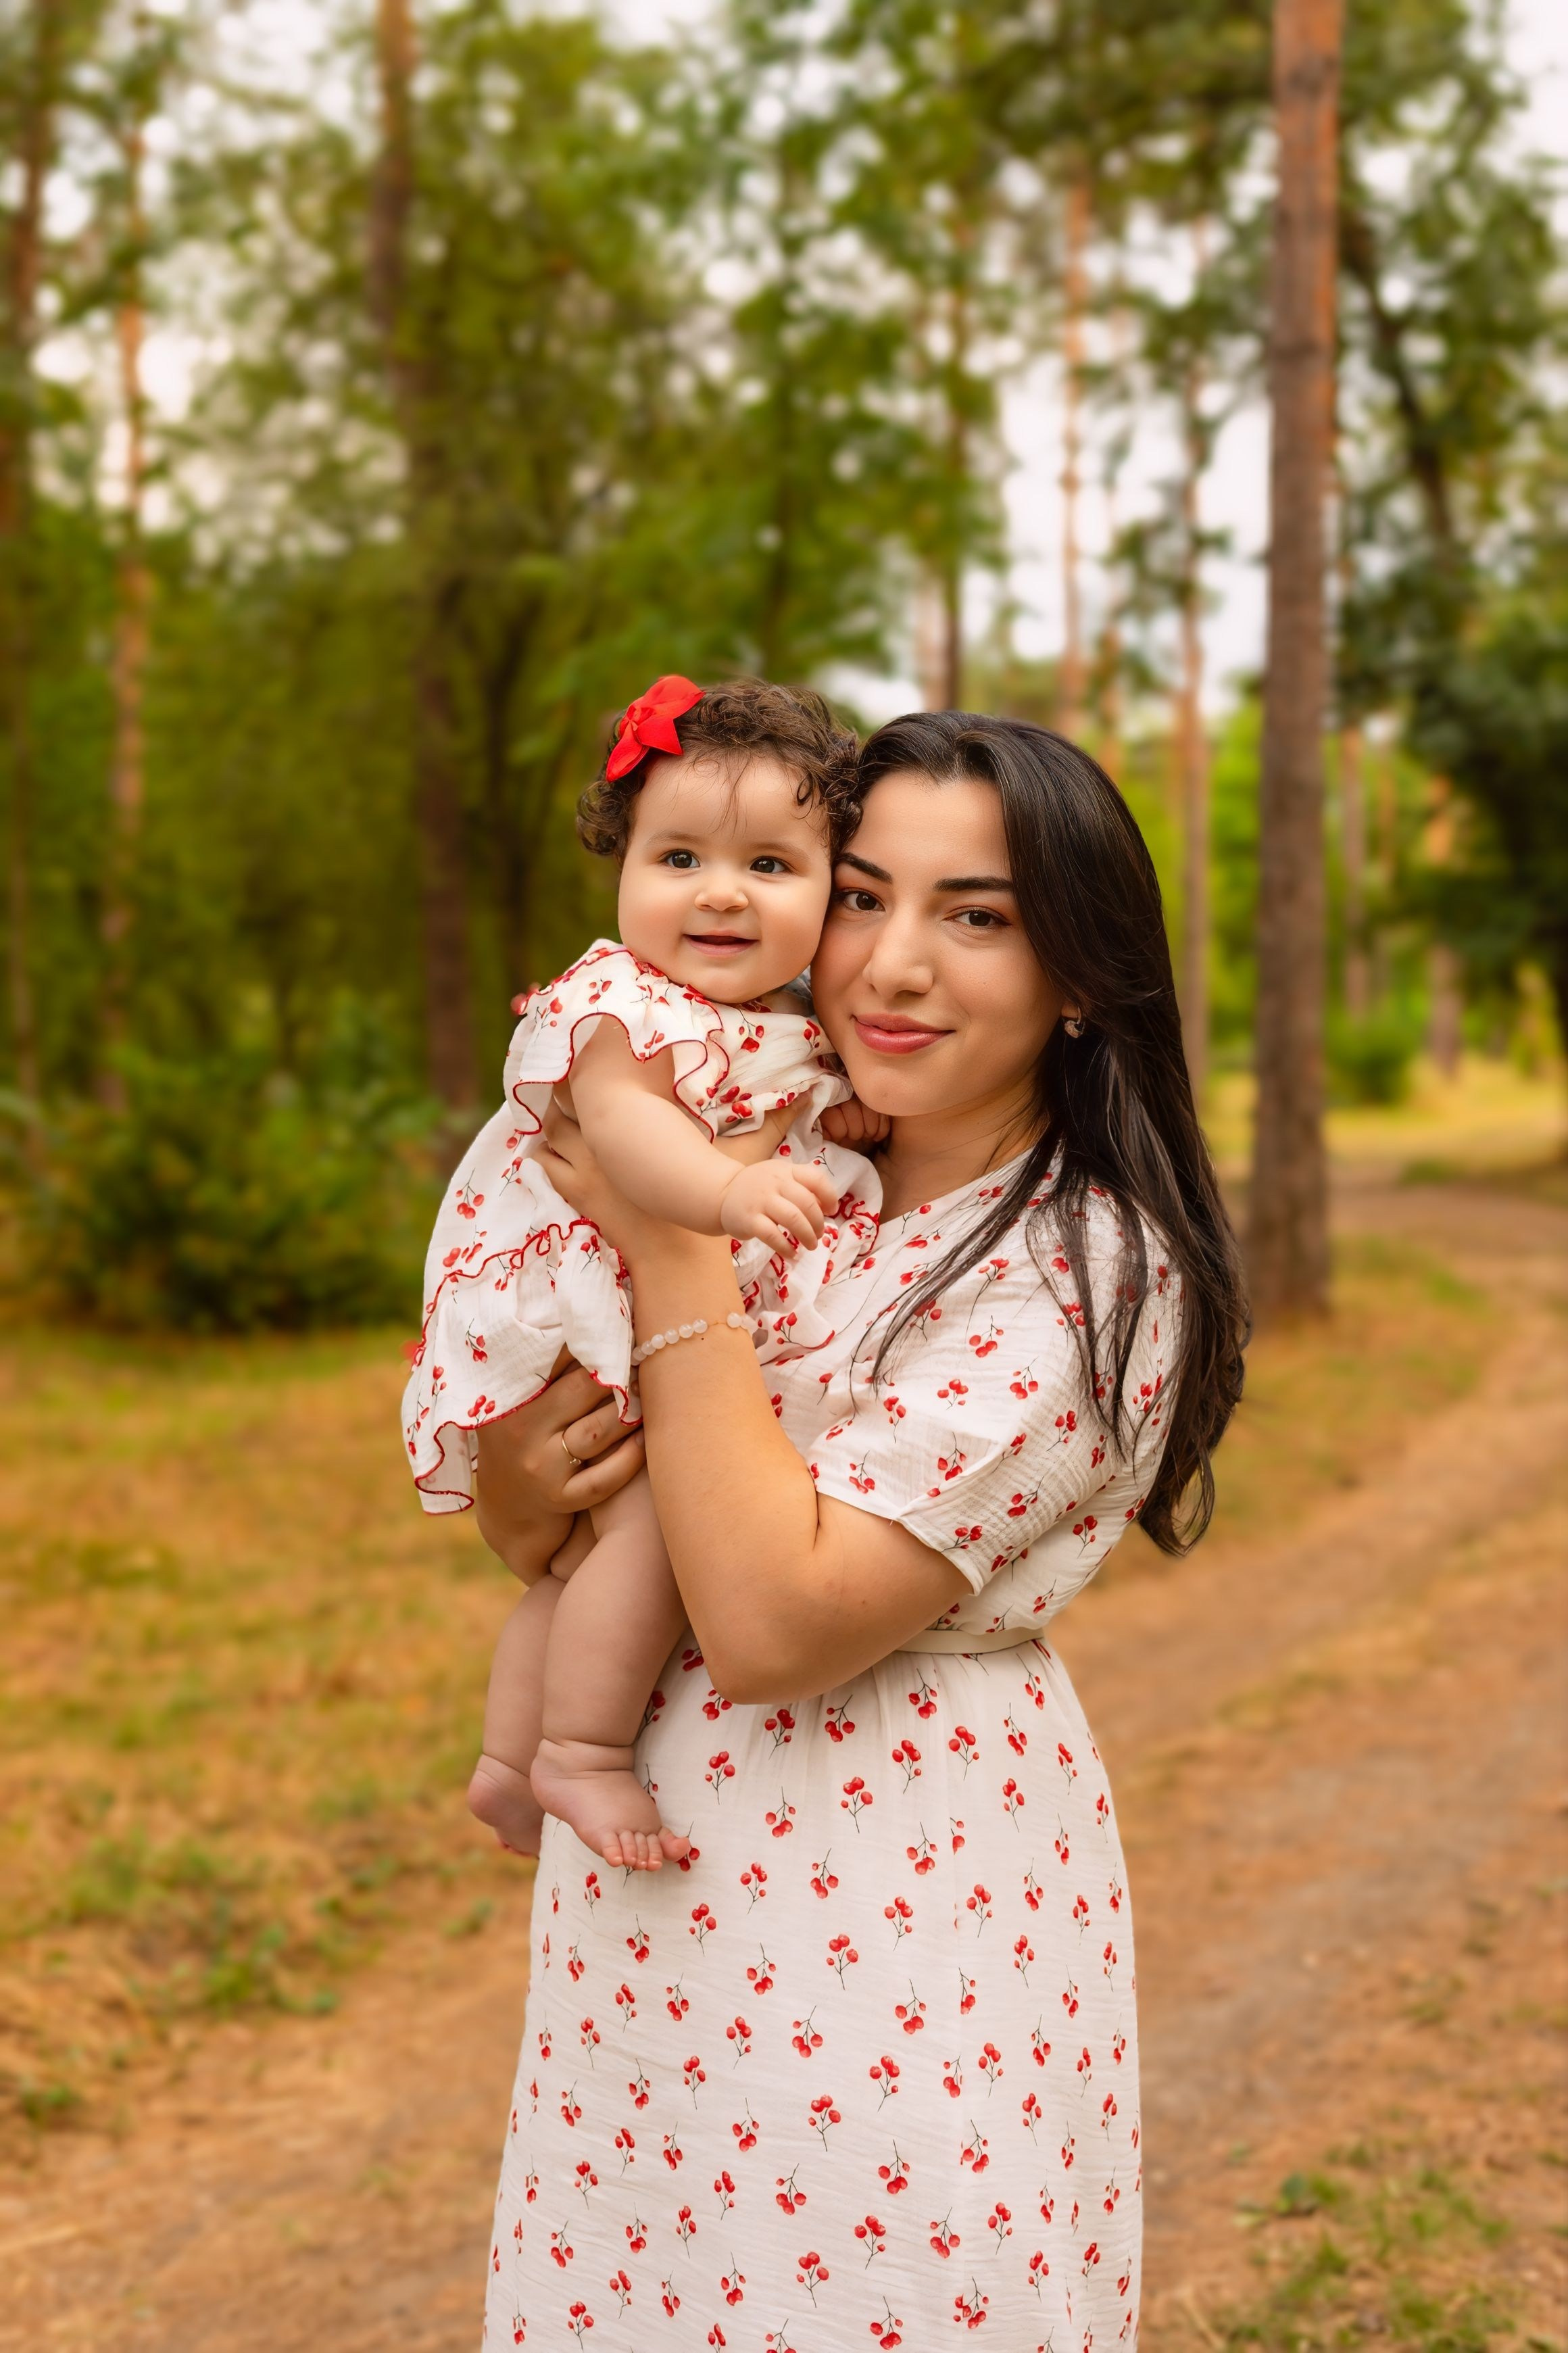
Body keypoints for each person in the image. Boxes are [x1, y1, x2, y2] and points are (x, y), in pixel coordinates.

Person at [469, 711, 1247, 2351]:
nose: (890, 966)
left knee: (870, 2285)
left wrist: (669, 1247)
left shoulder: (1076, 1265)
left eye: (974, 915)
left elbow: (768, 1619)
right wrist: (521, 1490)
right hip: (651, 1889)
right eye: (863, 896)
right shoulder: (801, 1165)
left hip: (896, 1891)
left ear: (1080, 973)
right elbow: (587, 1511)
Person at [403, 676, 887, 1871]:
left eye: (771, 866)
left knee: (582, 1562)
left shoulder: (786, 1021)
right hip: (581, 1305)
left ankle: (510, 1764)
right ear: (622, 869)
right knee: (654, 1530)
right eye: (679, 856)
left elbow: (789, 1103)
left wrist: (843, 1123)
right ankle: (581, 1749)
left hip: (646, 1309)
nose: (721, 891)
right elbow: (624, 1135)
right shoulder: (614, 1005)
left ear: (833, 894)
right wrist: (725, 1195)